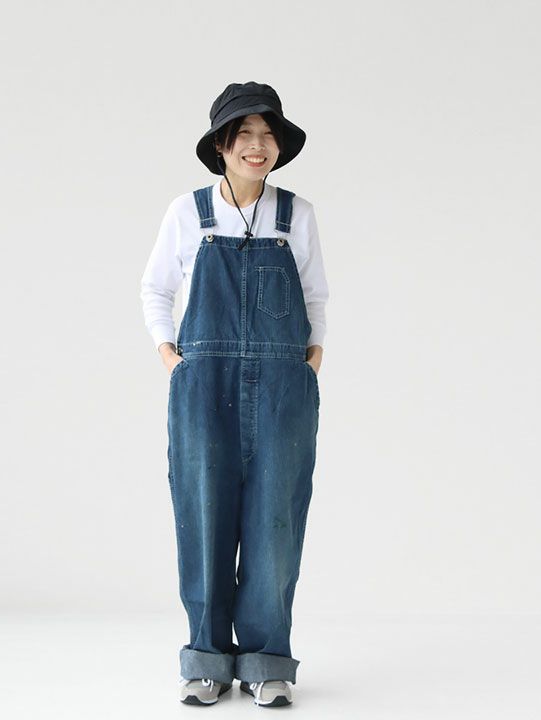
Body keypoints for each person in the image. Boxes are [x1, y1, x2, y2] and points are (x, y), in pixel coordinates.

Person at [140, 81, 329, 707]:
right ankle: (206, 660)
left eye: (267, 135)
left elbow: (316, 296)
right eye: (244, 134)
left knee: (276, 522)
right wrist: (170, 355)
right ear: (221, 146)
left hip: (283, 387)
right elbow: (155, 288)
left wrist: (312, 358)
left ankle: (267, 661)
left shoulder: (295, 214)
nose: (257, 145)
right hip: (204, 386)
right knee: (203, 517)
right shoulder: (187, 212)